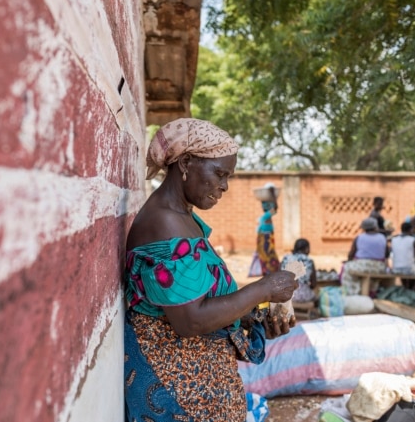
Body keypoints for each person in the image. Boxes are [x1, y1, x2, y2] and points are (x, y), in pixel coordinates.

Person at [124, 118, 298, 422]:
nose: (225, 186)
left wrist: (252, 315)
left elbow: (200, 295)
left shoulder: (184, 219)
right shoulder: (164, 222)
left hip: (199, 384)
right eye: (219, 173)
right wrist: (263, 289)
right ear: (187, 163)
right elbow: (190, 319)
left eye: (227, 176)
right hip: (175, 386)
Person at [341, 217, 389, 296]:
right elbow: (386, 254)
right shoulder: (382, 237)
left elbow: (351, 254)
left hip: (362, 266)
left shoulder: (359, 237)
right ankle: (372, 292)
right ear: (375, 227)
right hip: (379, 267)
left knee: (346, 268)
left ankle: (352, 293)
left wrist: (349, 261)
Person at [249, 184, 280, 276]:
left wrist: (273, 194)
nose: (263, 206)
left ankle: (270, 270)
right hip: (262, 236)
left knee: (268, 253)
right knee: (263, 253)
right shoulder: (265, 215)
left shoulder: (268, 214)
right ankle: (265, 270)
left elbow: (275, 208)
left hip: (267, 236)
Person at [281, 238, 317, 303]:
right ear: (306, 249)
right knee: (316, 297)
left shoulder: (286, 258)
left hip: (286, 294)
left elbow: (279, 276)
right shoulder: (309, 261)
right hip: (303, 296)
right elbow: (314, 284)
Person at [390, 222, 415, 290]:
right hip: (409, 269)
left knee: (404, 270)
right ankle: (411, 289)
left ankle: (406, 288)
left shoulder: (394, 240)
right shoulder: (413, 240)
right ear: (410, 230)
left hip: (396, 268)